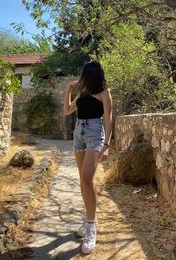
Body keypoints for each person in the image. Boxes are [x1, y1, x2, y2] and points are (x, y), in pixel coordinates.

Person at [64, 61, 112, 254]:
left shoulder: (104, 92)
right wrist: (68, 90)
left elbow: (108, 119)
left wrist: (107, 144)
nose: (82, 77)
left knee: (87, 179)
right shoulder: (83, 93)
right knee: (83, 182)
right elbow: (68, 110)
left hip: (94, 134)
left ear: (93, 75)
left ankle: (91, 227)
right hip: (79, 133)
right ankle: (88, 218)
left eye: (85, 74)